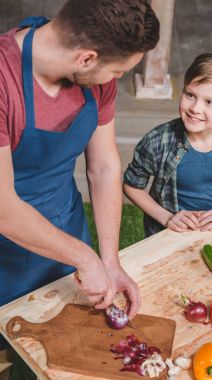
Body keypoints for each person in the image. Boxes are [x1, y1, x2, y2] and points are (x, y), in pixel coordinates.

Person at [0, 0, 160, 363]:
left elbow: (103, 166)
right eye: (118, 71)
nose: (116, 79)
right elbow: (4, 210)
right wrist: (85, 259)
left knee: (70, 344)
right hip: (4, 249)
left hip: (66, 224)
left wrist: (109, 260)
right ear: (86, 58)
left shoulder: (95, 80)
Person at [123, 53, 212, 238]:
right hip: (167, 232)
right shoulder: (157, 141)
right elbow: (132, 185)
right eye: (190, 95)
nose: (195, 108)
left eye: (209, 102)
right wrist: (167, 218)